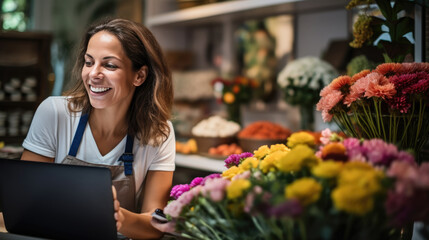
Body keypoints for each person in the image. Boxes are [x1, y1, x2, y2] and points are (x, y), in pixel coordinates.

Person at [21, 18, 175, 239]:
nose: (94, 73)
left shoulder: (159, 133)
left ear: (139, 75)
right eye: (89, 62)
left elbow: (156, 223)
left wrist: (119, 217)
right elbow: (25, 205)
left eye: (109, 65)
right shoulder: (54, 113)